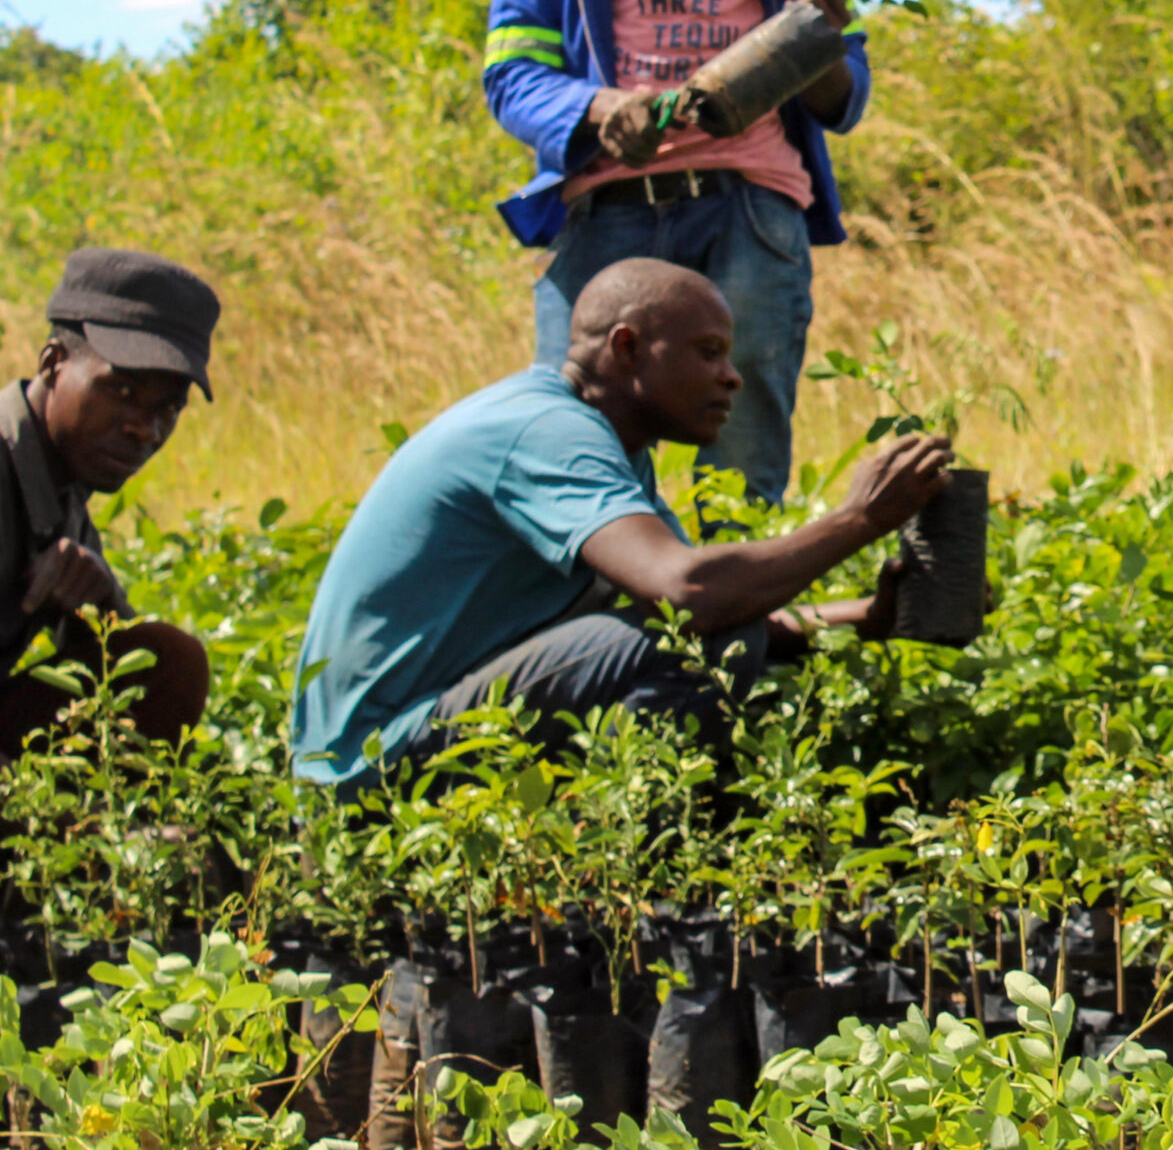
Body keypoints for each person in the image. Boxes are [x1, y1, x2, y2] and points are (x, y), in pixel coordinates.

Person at [289, 259, 949, 787]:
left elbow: (703, 603)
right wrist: (858, 519)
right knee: (707, 640)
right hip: (369, 768)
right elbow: (690, 598)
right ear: (627, 347)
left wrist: (870, 618)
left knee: (715, 629)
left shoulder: (603, 444)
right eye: (709, 352)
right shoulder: (546, 432)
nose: (731, 378)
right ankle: (632, 871)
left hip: (395, 744)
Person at [483, 0, 870, 509]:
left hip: (748, 207)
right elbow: (510, 72)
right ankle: (600, 642)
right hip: (605, 217)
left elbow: (845, 92)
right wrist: (596, 108)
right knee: (575, 454)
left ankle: (735, 636)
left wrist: (812, 42)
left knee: (738, 464)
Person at [0, 249, 219, 757]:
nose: (145, 428)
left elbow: (133, 671)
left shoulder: (62, 472)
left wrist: (101, 601)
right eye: (120, 389)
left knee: (165, 662)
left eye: (167, 407)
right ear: (54, 363)